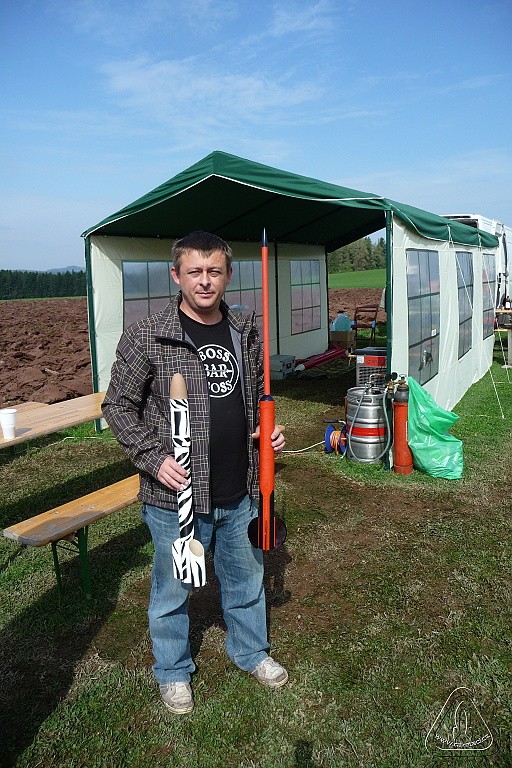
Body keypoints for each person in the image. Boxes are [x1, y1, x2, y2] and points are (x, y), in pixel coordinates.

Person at [102, 231, 288, 714]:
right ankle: (173, 671)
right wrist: (153, 457)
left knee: (246, 579)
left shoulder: (244, 330)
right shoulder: (149, 334)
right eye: (194, 272)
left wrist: (267, 431)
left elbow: (253, 397)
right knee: (172, 590)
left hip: (241, 487)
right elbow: (117, 406)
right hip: (177, 495)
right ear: (176, 276)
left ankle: (251, 652)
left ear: (228, 275)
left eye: (214, 271)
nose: (205, 281)